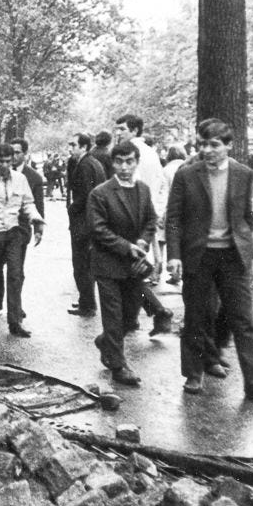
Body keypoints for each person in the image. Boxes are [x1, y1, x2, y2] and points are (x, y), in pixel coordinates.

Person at [166, 119, 253, 402]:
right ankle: (193, 374)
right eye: (203, 144)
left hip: (232, 256)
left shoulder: (243, 174)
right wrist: (174, 255)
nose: (208, 150)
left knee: (242, 319)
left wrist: (243, 240)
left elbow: (247, 215)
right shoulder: (186, 174)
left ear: (228, 145)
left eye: (214, 144)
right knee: (196, 315)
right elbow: (174, 219)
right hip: (198, 256)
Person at [86, 142, 158, 387]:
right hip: (107, 264)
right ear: (112, 163)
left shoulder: (144, 190)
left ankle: (106, 342)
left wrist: (143, 242)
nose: (125, 167)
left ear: (137, 162)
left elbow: (151, 220)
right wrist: (127, 247)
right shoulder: (100, 193)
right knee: (113, 316)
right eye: (119, 162)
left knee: (130, 317)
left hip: (133, 266)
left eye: (129, 161)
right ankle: (118, 366)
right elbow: (98, 229)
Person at [0, 144, 43, 337]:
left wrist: (36, 220)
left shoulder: (21, 180)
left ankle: (15, 322)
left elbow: (28, 203)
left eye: (8, 161)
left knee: (15, 275)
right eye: (1, 161)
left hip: (13, 232)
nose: (5, 165)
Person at [116, 114, 167, 280]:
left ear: (135, 130)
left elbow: (130, 184)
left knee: (133, 269)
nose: (118, 133)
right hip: (149, 212)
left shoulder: (128, 153)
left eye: (122, 129)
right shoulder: (152, 153)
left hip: (132, 216)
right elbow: (162, 184)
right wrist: (158, 210)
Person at [66, 132, 107, 317]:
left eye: (73, 145)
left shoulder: (85, 165)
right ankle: (86, 301)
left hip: (82, 222)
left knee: (81, 264)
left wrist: (72, 208)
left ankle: (87, 304)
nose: (70, 148)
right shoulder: (94, 163)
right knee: (85, 264)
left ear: (83, 147)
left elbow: (85, 194)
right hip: (89, 220)